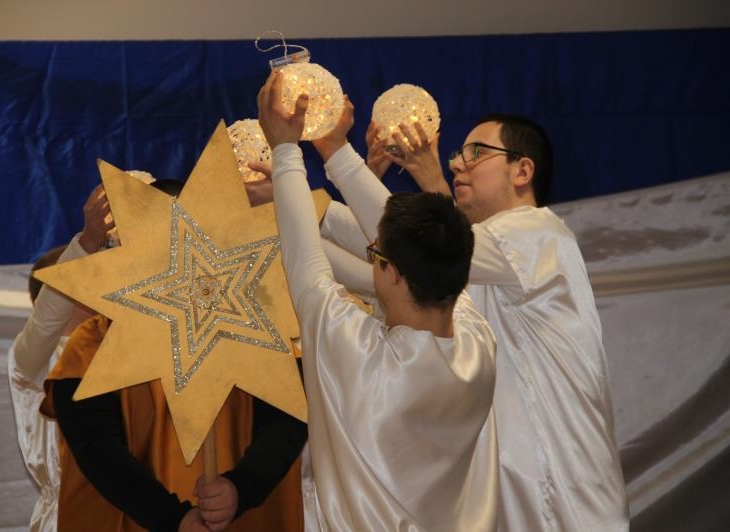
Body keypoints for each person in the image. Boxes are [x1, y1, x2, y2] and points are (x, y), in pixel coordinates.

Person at [320, 111, 630, 530]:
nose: (457, 165)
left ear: (523, 170)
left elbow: (414, 243)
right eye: (458, 154)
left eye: (477, 152)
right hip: (511, 500)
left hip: (565, 500)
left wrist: (336, 153)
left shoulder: (537, 233)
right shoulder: (471, 270)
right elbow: (378, 266)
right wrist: (300, 210)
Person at [258, 70, 500, 531]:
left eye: (375, 254)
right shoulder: (476, 343)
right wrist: (332, 150)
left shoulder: (358, 353)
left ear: (390, 272)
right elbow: (408, 240)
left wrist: (287, 149)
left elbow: (304, 264)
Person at [41, 178, 307, 532]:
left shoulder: (255, 328)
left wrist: (240, 488)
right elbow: (96, 448)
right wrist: (173, 519)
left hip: (240, 515)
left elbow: (287, 421)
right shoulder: (94, 343)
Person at [9, 184, 115, 531]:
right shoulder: (31, 362)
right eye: (87, 276)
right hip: (68, 518)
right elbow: (46, 320)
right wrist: (86, 243)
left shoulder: (123, 349)